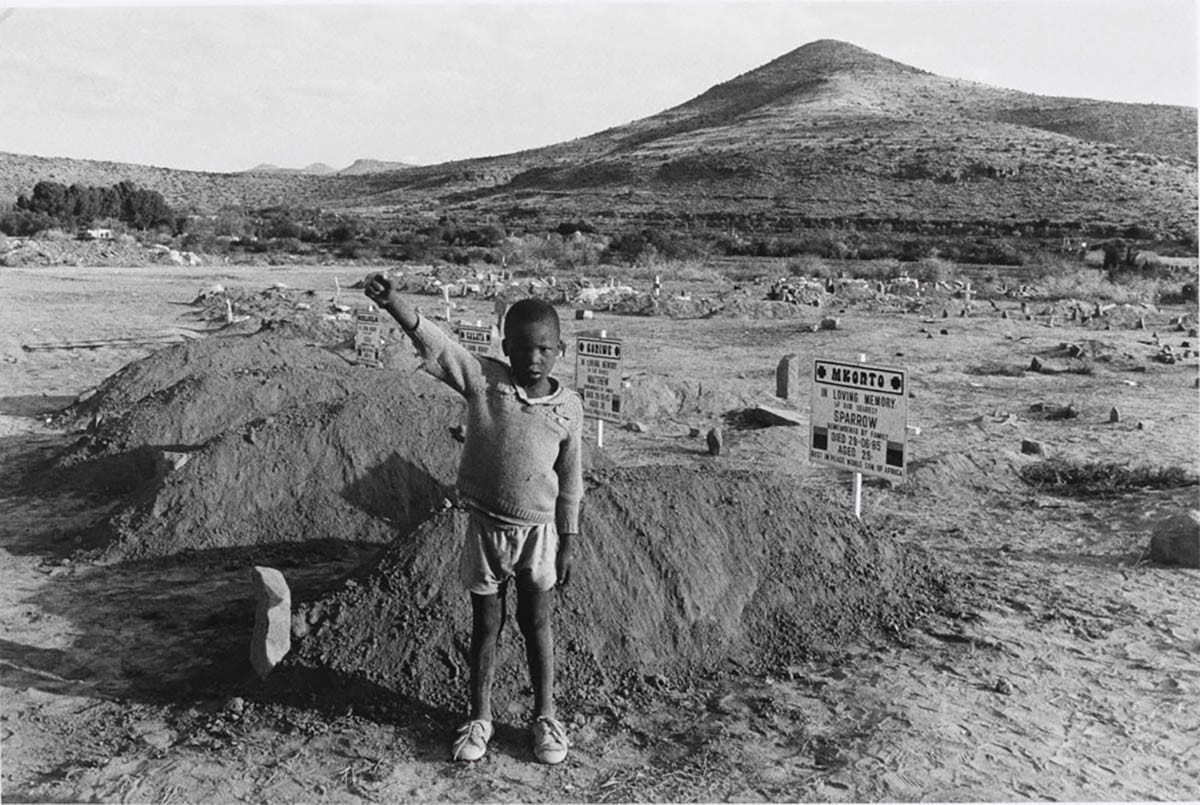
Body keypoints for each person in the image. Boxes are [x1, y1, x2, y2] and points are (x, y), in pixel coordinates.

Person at [363, 273, 583, 765]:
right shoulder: (486, 383)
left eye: (544, 349)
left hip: (539, 535)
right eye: (523, 349)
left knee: (537, 621)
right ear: (506, 347)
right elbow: (439, 346)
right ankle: (479, 717)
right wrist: (395, 303)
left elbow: (571, 481)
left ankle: (545, 716)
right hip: (485, 528)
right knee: (486, 624)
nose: (533, 359)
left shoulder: (570, 409)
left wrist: (569, 539)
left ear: (560, 351)